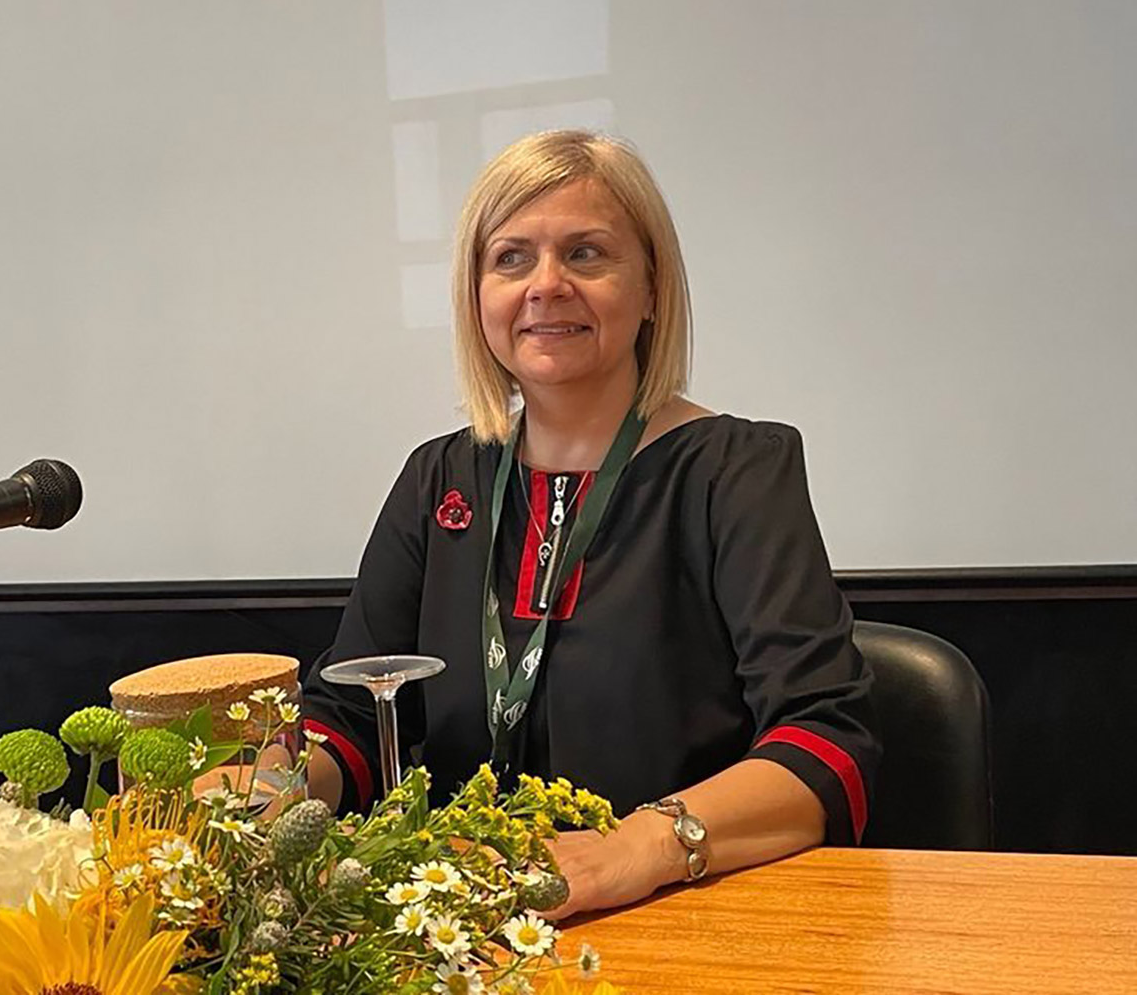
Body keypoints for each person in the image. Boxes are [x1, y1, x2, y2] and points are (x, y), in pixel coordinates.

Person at [300, 130, 879, 920]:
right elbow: (349, 722)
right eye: (511, 258)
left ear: (651, 289)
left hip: (683, 913)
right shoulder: (438, 478)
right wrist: (265, 788)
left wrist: (637, 849)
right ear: (476, 295)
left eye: (585, 253)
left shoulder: (735, 470)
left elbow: (827, 743)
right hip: (464, 924)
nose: (546, 285)